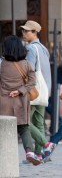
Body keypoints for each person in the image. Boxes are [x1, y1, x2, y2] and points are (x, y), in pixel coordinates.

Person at [0, 35, 41, 165]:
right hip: (20, 101)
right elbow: (32, 81)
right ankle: (29, 152)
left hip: (3, 101)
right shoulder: (26, 64)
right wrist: (20, 91)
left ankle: (5, 155)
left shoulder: (2, 64)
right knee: (24, 128)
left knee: (3, 129)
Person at [20, 20, 55, 161]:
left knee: (25, 121)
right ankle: (39, 154)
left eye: (26, 31)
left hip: (34, 91)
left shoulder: (30, 49)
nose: (23, 33)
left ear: (34, 32)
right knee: (39, 123)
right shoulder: (43, 48)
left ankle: (47, 144)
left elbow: (29, 71)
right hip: (44, 91)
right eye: (23, 30)